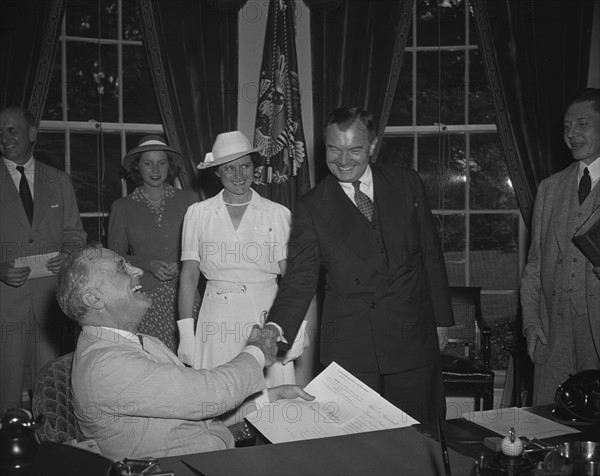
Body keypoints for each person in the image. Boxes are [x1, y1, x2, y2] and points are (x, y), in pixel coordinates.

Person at [262, 107, 454, 426]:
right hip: (352, 344)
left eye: (354, 150)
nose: (343, 160)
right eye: (334, 149)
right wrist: (276, 326)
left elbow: (430, 254)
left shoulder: (406, 183)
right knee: (359, 445)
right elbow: (299, 279)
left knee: (420, 438)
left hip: (413, 336)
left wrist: (442, 319)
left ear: (373, 145)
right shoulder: (312, 206)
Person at [56, 244, 313, 461]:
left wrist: (268, 400)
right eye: (122, 268)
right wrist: (258, 351)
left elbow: (198, 412)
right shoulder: (105, 366)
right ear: (93, 299)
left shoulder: (141, 342)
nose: (138, 270)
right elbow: (213, 393)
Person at [177, 131, 307, 413]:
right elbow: (189, 276)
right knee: (218, 403)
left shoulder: (277, 213)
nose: (238, 175)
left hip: (267, 317)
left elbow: (293, 279)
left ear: (254, 168)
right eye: (229, 168)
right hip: (216, 319)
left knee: (272, 407)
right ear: (217, 172)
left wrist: (296, 331)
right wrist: (186, 333)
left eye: (245, 166)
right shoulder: (198, 213)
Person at [0, 106, 86, 413]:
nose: (4, 138)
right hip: (6, 305)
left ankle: (51, 455)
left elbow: (75, 233)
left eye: (11, 130)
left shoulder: (58, 180)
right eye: (0, 132)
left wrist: (67, 254)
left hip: (51, 305)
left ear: (32, 133)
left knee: (52, 391)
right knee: (6, 392)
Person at [521, 88, 600, 405]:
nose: (572, 134)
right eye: (567, 126)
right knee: (552, 430)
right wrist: (530, 325)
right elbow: (534, 267)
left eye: (583, 124)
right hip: (553, 335)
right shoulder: (549, 188)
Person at [108, 135, 197, 352]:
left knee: (191, 362)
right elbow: (114, 258)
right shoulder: (122, 207)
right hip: (144, 299)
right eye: (148, 163)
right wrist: (148, 265)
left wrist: (184, 263)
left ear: (170, 165)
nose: (155, 169)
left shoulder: (190, 201)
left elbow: (203, 248)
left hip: (185, 296)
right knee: (155, 366)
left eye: (161, 162)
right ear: (138, 167)